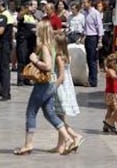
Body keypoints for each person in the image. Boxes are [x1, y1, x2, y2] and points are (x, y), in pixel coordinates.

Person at [14, 20, 75, 155]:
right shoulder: (51, 45)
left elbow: (47, 66)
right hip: (51, 84)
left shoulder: (45, 47)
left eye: (37, 29)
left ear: (41, 31)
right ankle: (68, 139)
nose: (35, 32)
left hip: (44, 84)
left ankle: (28, 144)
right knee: (49, 113)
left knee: (31, 112)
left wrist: (34, 59)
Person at [51, 33, 83, 153]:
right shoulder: (67, 56)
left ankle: (75, 136)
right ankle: (60, 145)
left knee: (57, 119)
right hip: (67, 88)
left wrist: (53, 87)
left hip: (60, 88)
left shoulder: (59, 57)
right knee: (61, 116)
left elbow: (61, 75)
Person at [81, 0, 104, 87]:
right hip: (88, 37)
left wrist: (100, 40)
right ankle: (90, 79)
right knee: (89, 59)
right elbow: (85, 27)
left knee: (92, 60)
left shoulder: (95, 13)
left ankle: (93, 81)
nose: (83, 5)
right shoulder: (85, 14)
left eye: (85, 3)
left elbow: (99, 26)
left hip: (93, 37)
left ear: (89, 3)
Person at [16, 1, 37, 86]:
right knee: (22, 59)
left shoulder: (33, 17)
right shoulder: (23, 15)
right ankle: (20, 79)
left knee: (29, 60)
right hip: (23, 40)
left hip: (31, 41)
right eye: (33, 6)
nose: (34, 8)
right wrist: (26, 9)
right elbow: (19, 17)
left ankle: (27, 79)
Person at [103, 54, 117, 133]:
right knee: (116, 110)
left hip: (113, 93)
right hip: (111, 94)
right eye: (115, 63)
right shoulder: (110, 71)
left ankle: (106, 125)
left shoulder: (113, 71)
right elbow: (114, 77)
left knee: (110, 111)